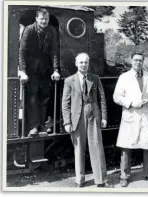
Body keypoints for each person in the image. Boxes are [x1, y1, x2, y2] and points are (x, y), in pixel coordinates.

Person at [62, 53, 113, 188]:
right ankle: (80, 180)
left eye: (86, 62)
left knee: (97, 147)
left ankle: (101, 179)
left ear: (88, 64)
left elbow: (102, 99)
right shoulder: (69, 81)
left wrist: (103, 117)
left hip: (93, 115)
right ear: (76, 64)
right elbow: (65, 103)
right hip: (77, 118)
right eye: (81, 63)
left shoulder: (95, 79)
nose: (83, 65)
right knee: (79, 149)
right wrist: (67, 122)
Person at [113, 52, 148, 187]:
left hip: (146, 114)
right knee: (126, 147)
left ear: (143, 62)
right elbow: (116, 97)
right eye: (135, 60)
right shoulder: (124, 77)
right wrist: (130, 103)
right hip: (131, 114)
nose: (138, 62)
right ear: (131, 61)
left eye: (140, 60)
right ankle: (124, 176)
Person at [19, 8, 60, 136]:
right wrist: (23, 70)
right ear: (37, 19)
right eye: (42, 19)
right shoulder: (29, 30)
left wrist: (55, 70)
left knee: (45, 96)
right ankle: (33, 126)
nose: (44, 21)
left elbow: (54, 51)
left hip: (46, 69)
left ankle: (42, 125)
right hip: (31, 70)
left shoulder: (51, 30)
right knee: (32, 97)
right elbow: (22, 51)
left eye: (46, 19)